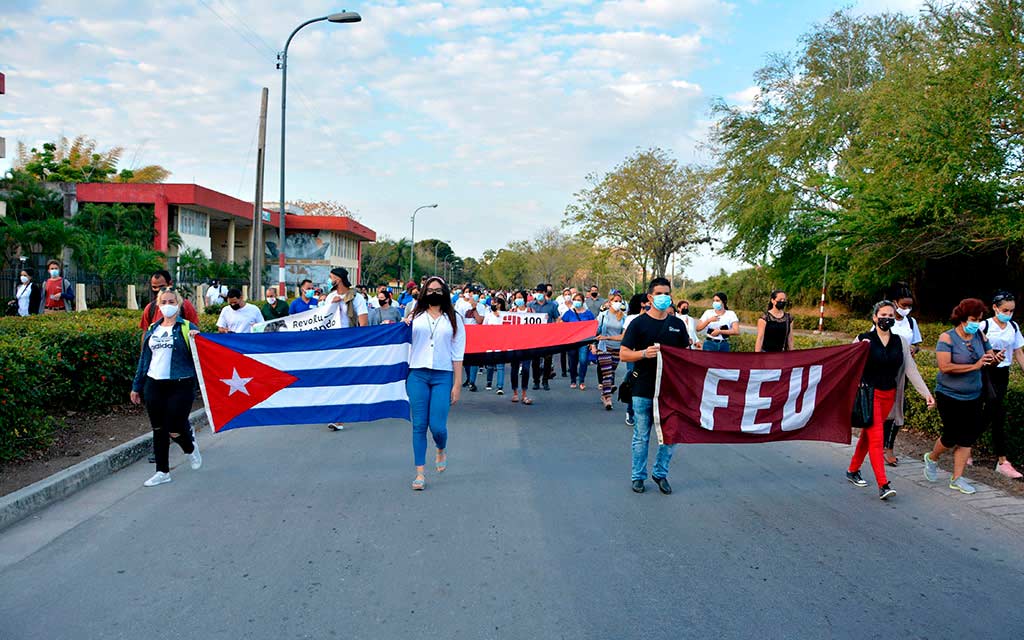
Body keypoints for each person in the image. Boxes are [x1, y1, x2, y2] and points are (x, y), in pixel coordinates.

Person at [846, 301, 935, 500]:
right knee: (877, 439)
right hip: (869, 395)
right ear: (875, 318)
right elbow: (847, 364)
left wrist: (925, 393)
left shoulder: (900, 341)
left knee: (868, 436)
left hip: (889, 395)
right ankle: (883, 484)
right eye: (883, 314)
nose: (887, 318)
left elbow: (910, 368)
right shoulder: (863, 340)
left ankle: (852, 470)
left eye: (891, 315)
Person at [923, 298, 1001, 495]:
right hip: (949, 394)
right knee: (951, 435)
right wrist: (974, 366)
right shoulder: (946, 338)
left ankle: (957, 478)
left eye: (980, 319)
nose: (977, 323)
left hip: (973, 394)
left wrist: (994, 359)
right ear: (963, 318)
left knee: (967, 438)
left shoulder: (980, 335)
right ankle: (932, 458)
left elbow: (988, 359)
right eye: (974, 319)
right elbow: (945, 367)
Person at [621, 278, 690, 495]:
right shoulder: (638, 324)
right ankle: (638, 477)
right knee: (642, 435)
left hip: (670, 391)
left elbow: (686, 357)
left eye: (667, 293)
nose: (664, 297)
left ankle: (660, 473)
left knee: (670, 435)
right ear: (650, 297)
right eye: (659, 293)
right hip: (643, 388)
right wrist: (643, 353)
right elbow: (624, 353)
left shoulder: (678, 325)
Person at [130, 287, 202, 487]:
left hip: (181, 383)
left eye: (172, 302)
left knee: (174, 425)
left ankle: (189, 447)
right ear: (158, 305)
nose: (168, 306)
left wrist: (198, 340)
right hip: (154, 384)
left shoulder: (188, 327)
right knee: (159, 428)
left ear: (179, 305)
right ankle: (162, 471)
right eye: (164, 302)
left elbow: (203, 356)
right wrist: (137, 386)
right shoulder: (153, 328)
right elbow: (144, 360)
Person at [406, 276, 465, 490]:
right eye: (430, 290)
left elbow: (458, 354)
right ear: (423, 292)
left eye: (438, 290)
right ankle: (420, 473)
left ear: (445, 292)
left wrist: (457, 384)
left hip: (442, 375)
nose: (434, 293)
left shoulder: (455, 318)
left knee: (438, 426)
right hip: (417, 374)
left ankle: (441, 447)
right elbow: (402, 340)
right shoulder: (415, 315)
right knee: (419, 425)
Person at [980, 291, 1024, 479]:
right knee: (990, 411)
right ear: (995, 308)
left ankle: (1001, 460)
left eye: (1012, 310)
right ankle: (1000, 458)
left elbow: (1019, 352)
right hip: (983, 372)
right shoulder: (984, 325)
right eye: (1005, 310)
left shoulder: (1013, 326)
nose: (1008, 313)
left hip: (1002, 373)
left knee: (995, 413)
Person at [882, 284, 925, 465]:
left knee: (899, 408)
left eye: (909, 306)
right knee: (884, 408)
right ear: (895, 303)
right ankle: (878, 444)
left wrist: (913, 349)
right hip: (885, 371)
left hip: (904, 371)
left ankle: (888, 447)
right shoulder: (885, 319)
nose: (906, 309)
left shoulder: (911, 322)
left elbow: (917, 344)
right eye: (903, 305)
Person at [594, 292, 627, 410]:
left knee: (611, 372)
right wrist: (593, 345)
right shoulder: (603, 315)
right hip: (603, 347)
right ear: (609, 302)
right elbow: (595, 331)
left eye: (620, 301)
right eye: (615, 301)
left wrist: (608, 337)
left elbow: (623, 336)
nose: (617, 303)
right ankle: (607, 398)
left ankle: (605, 392)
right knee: (607, 373)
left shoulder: (624, 317)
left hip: (617, 348)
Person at [622, 293, 651, 426]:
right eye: (647, 305)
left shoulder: (659, 320)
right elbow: (626, 341)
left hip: (652, 358)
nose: (649, 307)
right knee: (634, 382)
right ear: (642, 304)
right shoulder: (632, 319)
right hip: (634, 356)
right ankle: (630, 410)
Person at [528, 284, 560, 391]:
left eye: (541, 292)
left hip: (548, 336)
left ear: (545, 293)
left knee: (547, 360)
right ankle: (536, 381)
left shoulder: (552, 306)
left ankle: (545, 380)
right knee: (535, 360)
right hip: (534, 336)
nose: (539, 294)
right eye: (537, 292)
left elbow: (557, 318)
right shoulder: (531, 305)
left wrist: (555, 331)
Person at [562, 293, 596, 389]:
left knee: (583, 361)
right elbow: (561, 324)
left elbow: (593, 328)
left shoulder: (588, 314)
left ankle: (581, 380)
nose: (577, 301)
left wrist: (592, 343)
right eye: (575, 299)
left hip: (584, 341)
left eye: (579, 300)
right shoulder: (569, 313)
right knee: (572, 361)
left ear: (583, 301)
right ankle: (573, 380)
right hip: (571, 341)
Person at [509, 291, 534, 405]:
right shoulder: (511, 312)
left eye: (520, 297)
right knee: (514, 368)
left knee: (526, 368)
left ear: (524, 299)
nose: (518, 299)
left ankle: (524, 393)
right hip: (514, 344)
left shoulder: (531, 312)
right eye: (516, 297)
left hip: (527, 344)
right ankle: (515, 393)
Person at [483, 297, 507, 394]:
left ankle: (500, 386)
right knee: (490, 364)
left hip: (501, 342)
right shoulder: (488, 315)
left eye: (496, 303)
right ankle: (489, 382)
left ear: (500, 304)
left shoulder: (506, 315)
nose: (494, 305)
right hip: (490, 341)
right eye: (493, 303)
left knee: (500, 365)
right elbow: (484, 327)